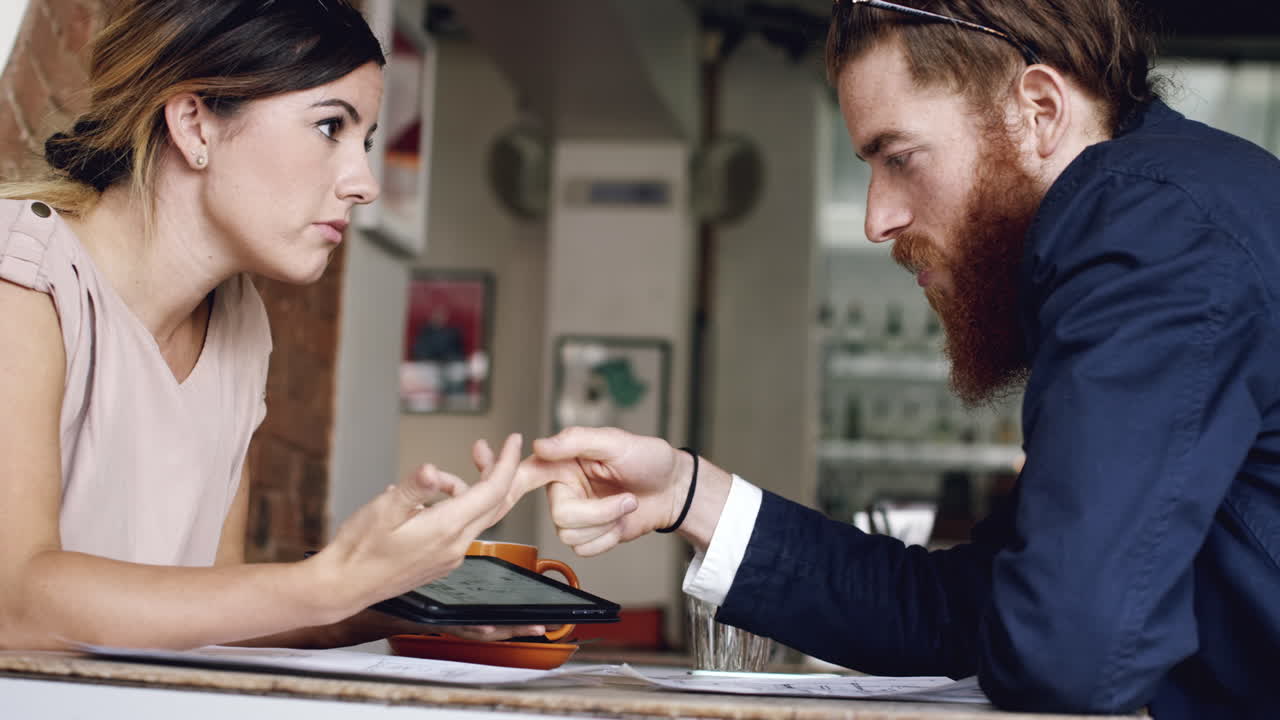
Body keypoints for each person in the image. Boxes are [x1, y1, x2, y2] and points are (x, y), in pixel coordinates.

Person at [516, 1, 1280, 716]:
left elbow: (1065, 646)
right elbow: (977, 609)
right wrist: (688, 494)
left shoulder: (1151, 230)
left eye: (901, 157)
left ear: (1038, 110)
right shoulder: (1171, 220)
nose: (879, 218)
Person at [0, 0, 544, 651]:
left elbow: (214, 618)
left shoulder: (237, 330)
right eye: (328, 127)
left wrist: (402, 599)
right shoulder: (22, 278)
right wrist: (329, 581)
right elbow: (15, 605)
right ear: (194, 124)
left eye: (364, 141)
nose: (364, 183)